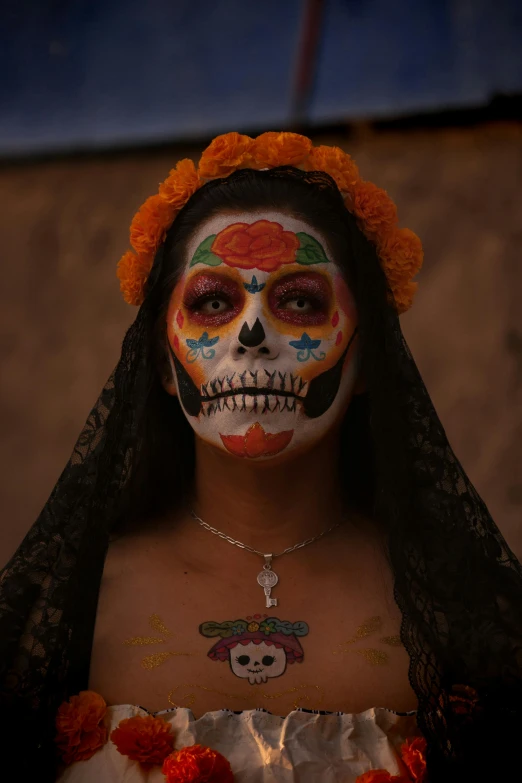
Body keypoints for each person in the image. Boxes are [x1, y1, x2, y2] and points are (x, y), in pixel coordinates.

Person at [1, 132, 521, 783]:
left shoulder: (457, 615)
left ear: (366, 360)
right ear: (164, 361)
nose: (252, 334)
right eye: (213, 302)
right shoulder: (77, 601)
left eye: (300, 301)